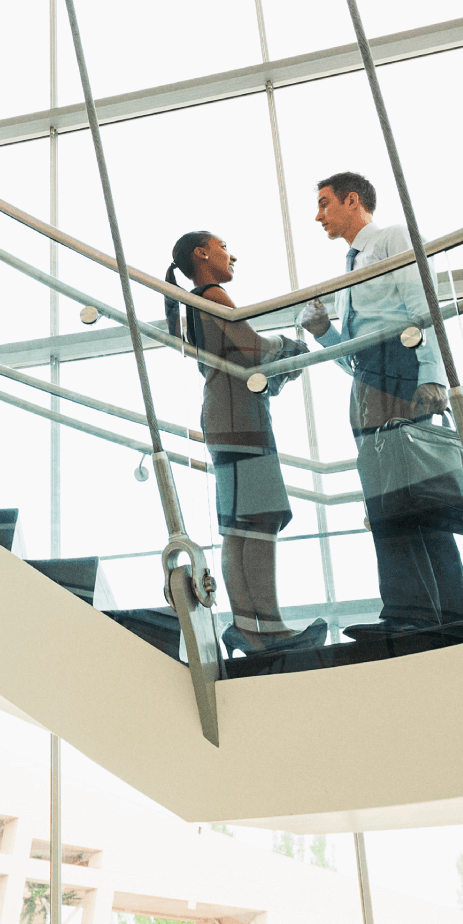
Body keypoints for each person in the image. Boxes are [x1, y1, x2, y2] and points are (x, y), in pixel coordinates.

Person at [298, 173, 463, 636]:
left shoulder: (390, 239)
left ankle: (415, 613)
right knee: (391, 500)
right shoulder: (350, 267)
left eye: (324, 203)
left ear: (352, 201)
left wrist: (433, 373)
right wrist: (325, 334)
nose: (318, 215)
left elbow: (423, 305)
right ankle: (444, 612)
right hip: (370, 381)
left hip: (402, 372)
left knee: (410, 497)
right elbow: (357, 356)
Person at [166, 230, 326, 657]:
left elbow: (240, 361)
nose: (231, 254)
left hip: (226, 417)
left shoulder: (196, 303)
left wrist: (278, 367)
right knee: (261, 519)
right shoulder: (213, 295)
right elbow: (252, 348)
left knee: (241, 526)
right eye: (222, 247)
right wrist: (290, 348)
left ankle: (247, 626)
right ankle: (267, 628)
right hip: (241, 420)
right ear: (202, 254)